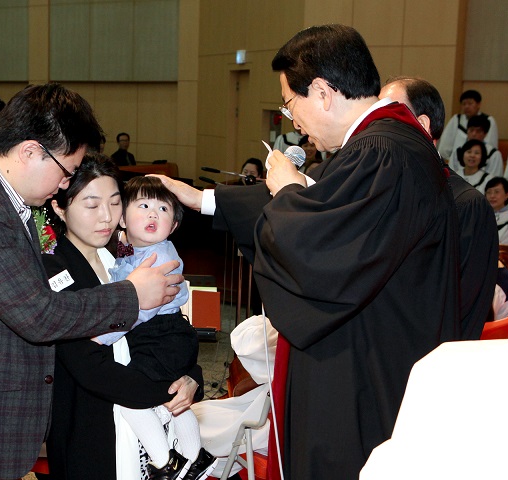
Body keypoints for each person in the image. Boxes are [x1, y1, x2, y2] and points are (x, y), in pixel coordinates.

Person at [155, 25, 460, 480]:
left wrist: (286, 193)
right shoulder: (386, 146)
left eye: (289, 104)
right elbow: (330, 215)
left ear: (322, 92)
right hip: (375, 354)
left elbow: (324, 255)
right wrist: (206, 200)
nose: (293, 121)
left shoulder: (381, 152)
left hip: (360, 371)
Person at [0, 82, 184, 480]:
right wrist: (133, 295)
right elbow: (37, 315)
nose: (65, 183)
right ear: (29, 152)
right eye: (66, 171)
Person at [40, 155, 203, 480]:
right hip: (91, 430)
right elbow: (88, 365)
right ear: (59, 207)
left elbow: (169, 326)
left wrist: (190, 378)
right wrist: (165, 390)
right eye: (91, 204)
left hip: (145, 416)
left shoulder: (125, 253)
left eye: (115, 203)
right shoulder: (53, 270)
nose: (107, 216)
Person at [94, 176, 214, 480]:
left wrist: (103, 337)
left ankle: (166, 463)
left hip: (161, 335)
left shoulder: (160, 257)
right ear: (123, 218)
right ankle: (196, 458)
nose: (153, 214)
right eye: (144, 206)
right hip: (166, 336)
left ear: (173, 226)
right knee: (173, 399)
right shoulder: (131, 248)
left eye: (163, 209)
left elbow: (142, 309)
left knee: (130, 400)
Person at [380, 76, 498, 341]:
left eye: (386, 117)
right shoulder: (383, 192)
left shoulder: (466, 204)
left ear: (422, 125)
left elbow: (464, 309)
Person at [438, 89, 499, 163]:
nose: (466, 107)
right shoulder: (457, 119)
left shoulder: (488, 120)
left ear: (478, 104)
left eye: (470, 103)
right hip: (455, 161)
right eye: (464, 104)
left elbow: (491, 144)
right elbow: (444, 146)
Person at [485, 177, 508, 245]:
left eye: (497, 192)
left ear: (506, 195)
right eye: (489, 192)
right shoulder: (479, 215)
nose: (492, 196)